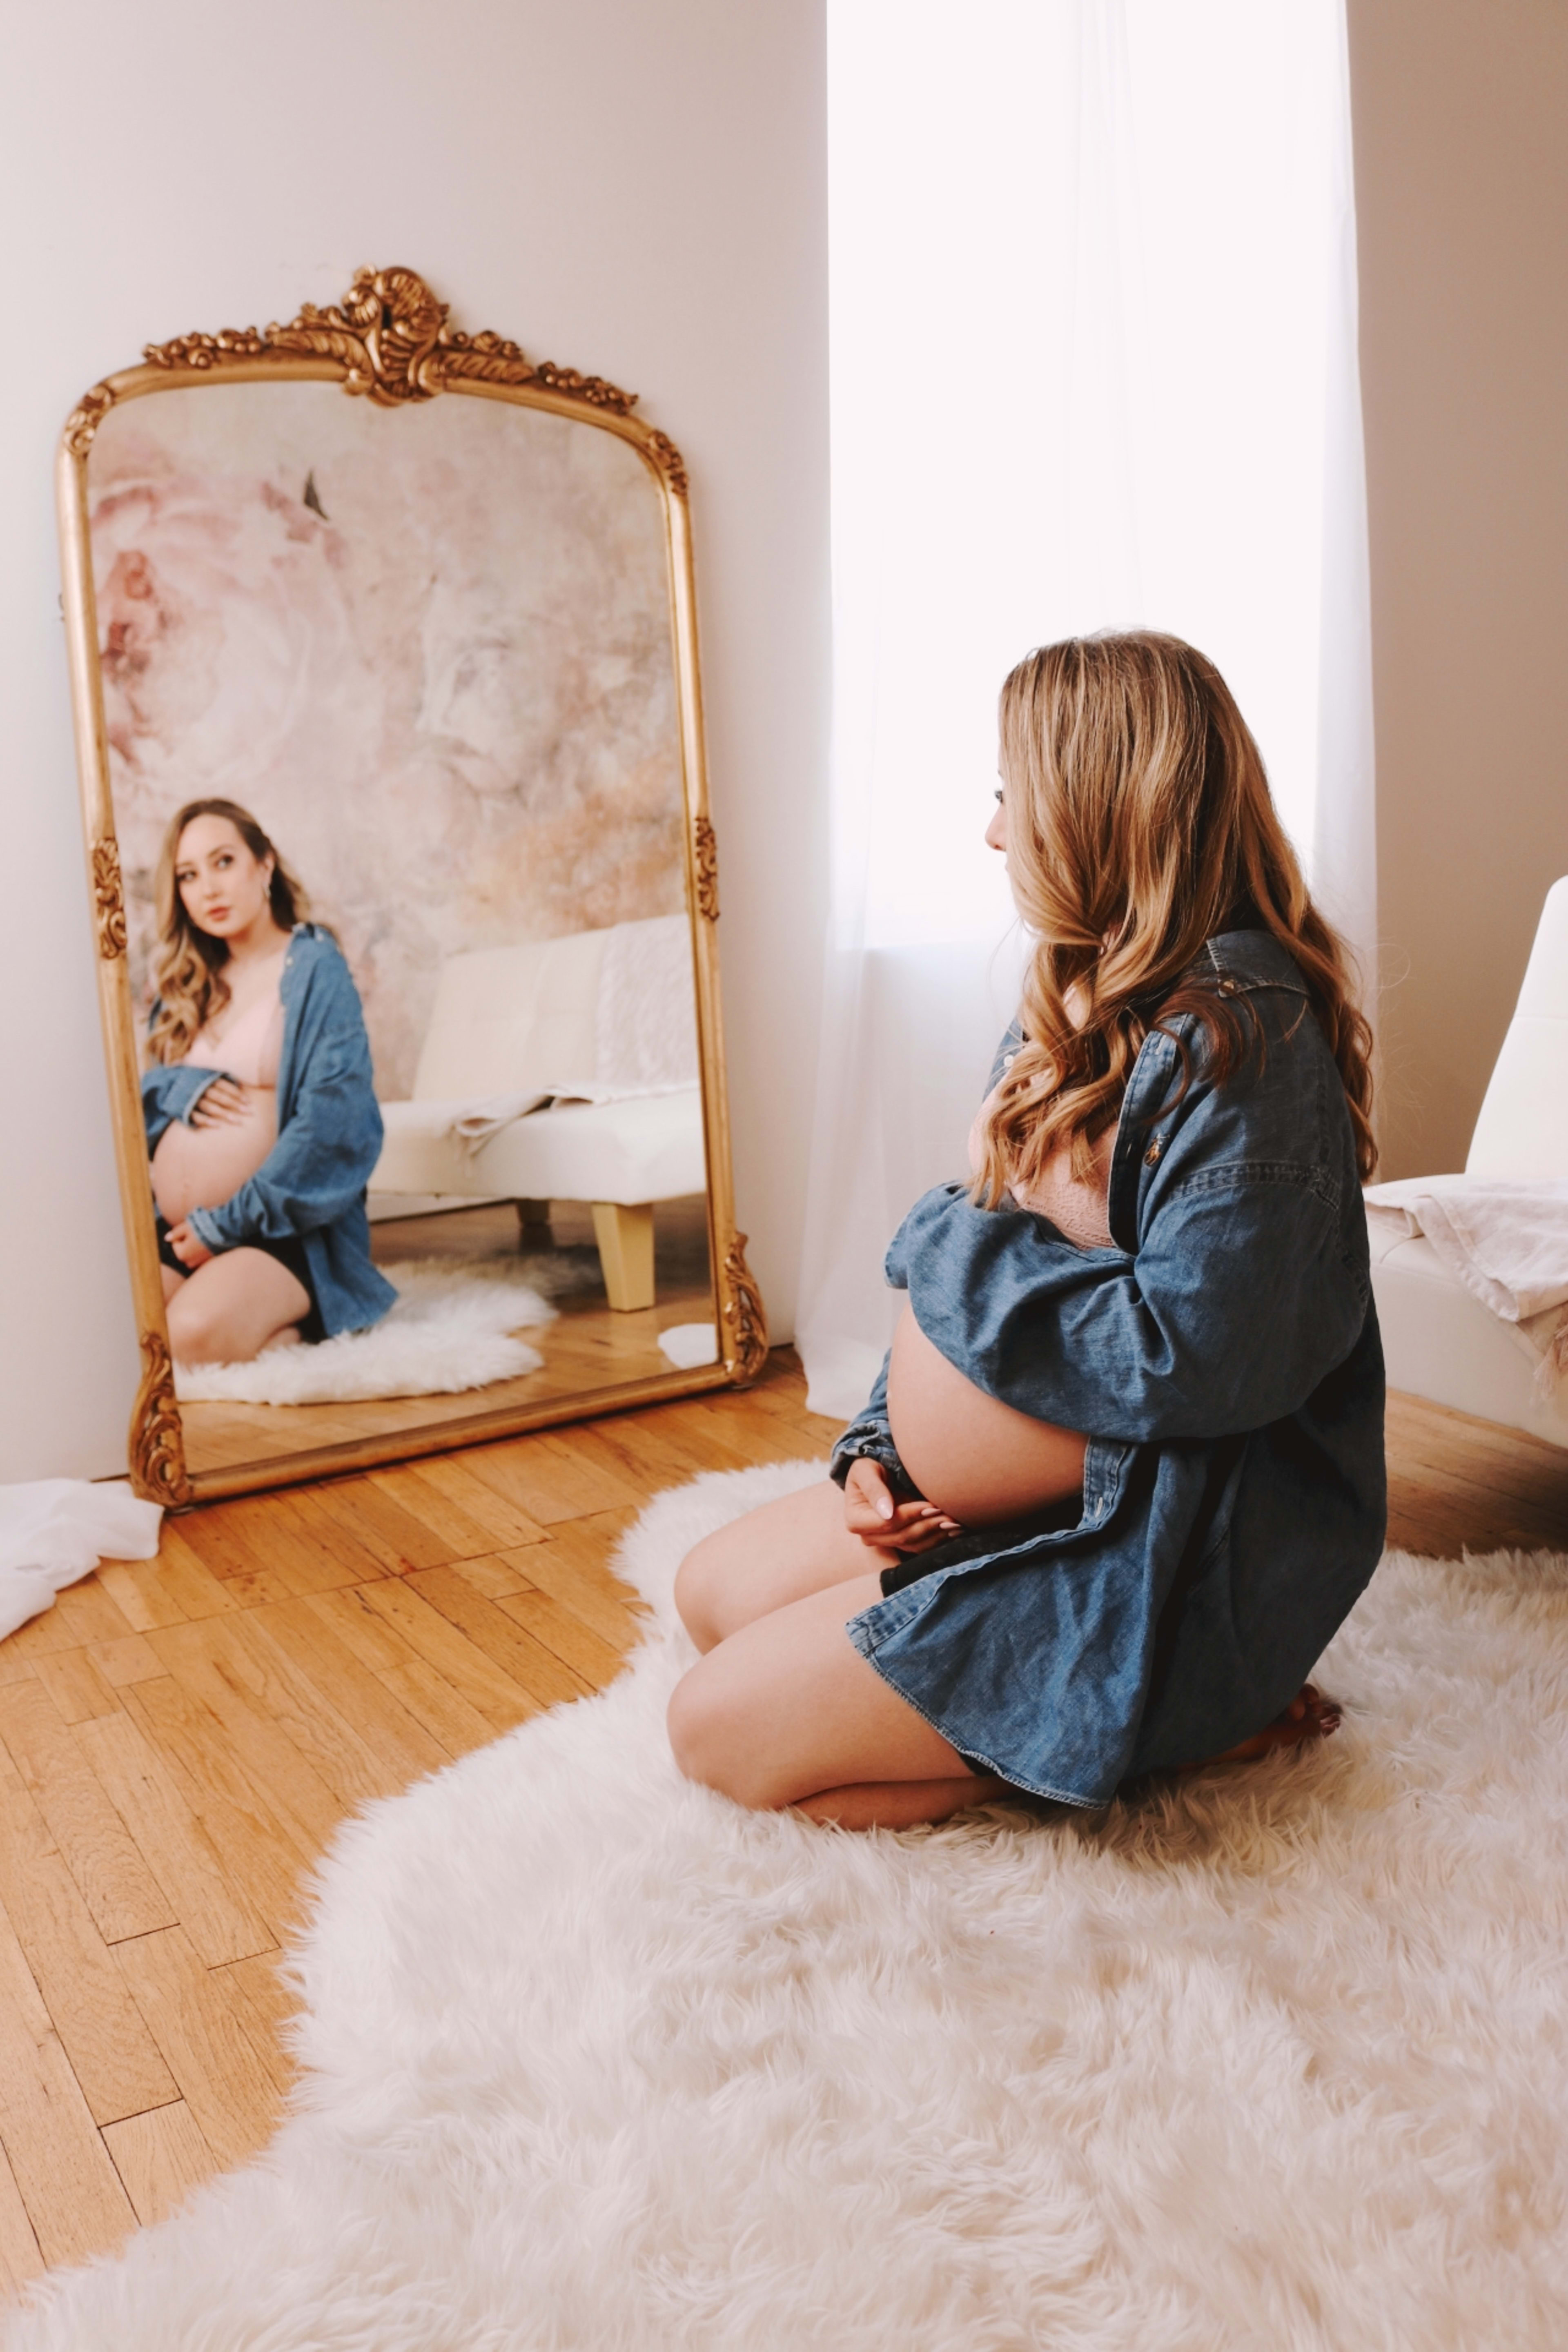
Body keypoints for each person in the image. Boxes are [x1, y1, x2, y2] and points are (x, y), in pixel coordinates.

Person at [669, 632, 1385, 1830]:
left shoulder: (1242, 1039)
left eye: (1012, 796)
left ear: (1097, 802)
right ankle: (1022, 1653)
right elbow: (991, 1268)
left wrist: (943, 1234)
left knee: (719, 1736)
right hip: (1025, 1495)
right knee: (711, 1595)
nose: (996, 833)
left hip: (1160, 1542)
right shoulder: (1078, 993)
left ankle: (1181, 1728)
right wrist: (881, 1454)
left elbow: (1200, 1356)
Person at [141, 797, 395, 1366]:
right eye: (189, 875)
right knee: (119, 1333)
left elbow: (337, 1123)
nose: (209, 888)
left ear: (265, 864)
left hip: (283, 1229)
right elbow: (140, 1107)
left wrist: (225, 1224)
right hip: (184, 1229)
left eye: (224, 862)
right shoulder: (187, 985)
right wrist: (175, 1089)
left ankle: (309, 1324)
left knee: (185, 1336)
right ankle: (248, 1325)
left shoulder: (312, 968)